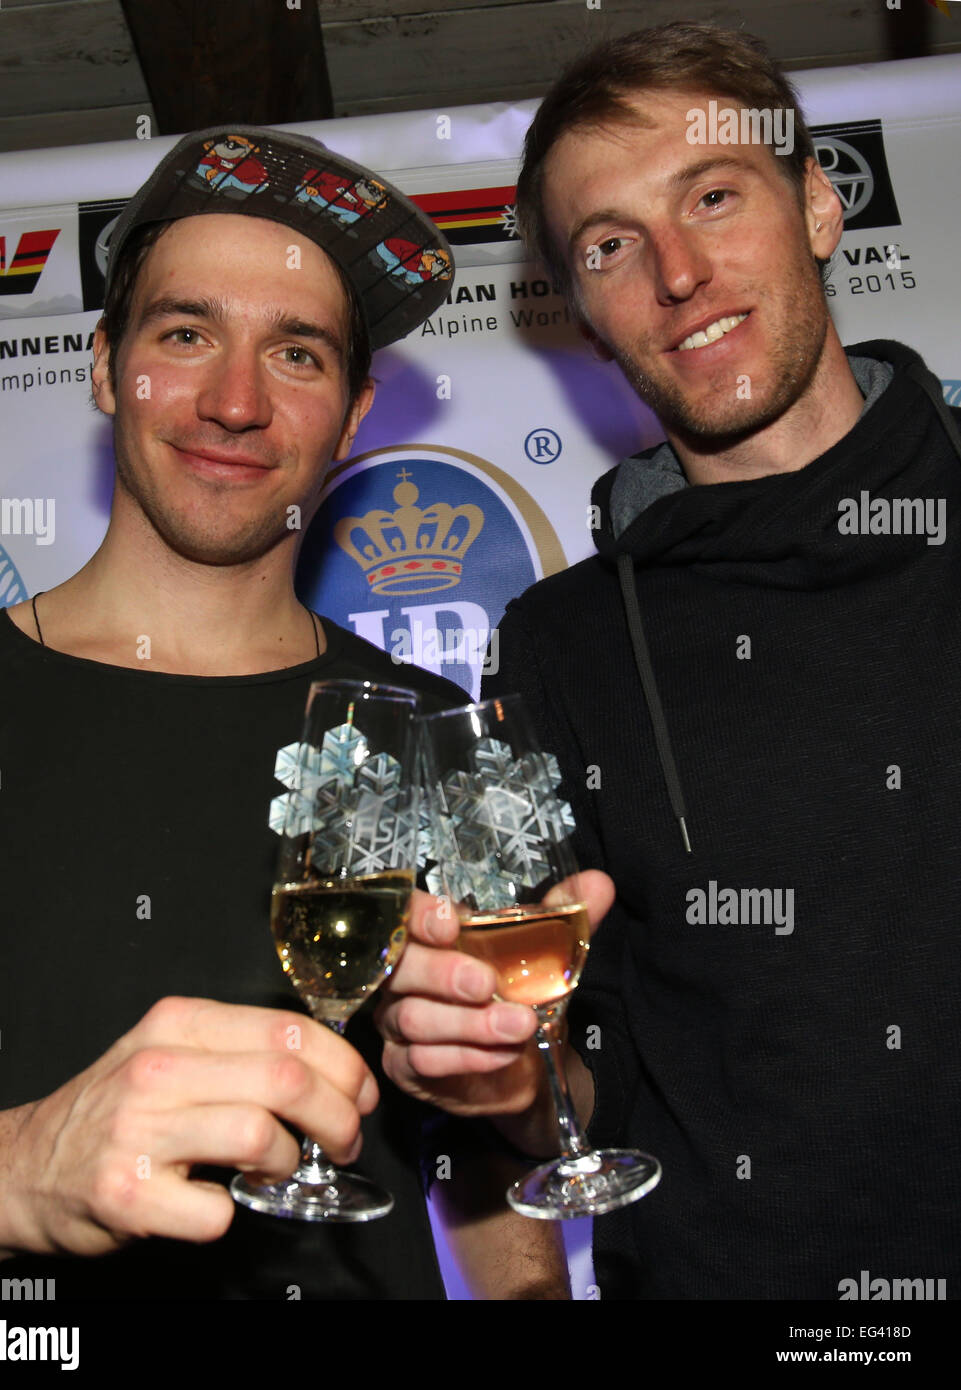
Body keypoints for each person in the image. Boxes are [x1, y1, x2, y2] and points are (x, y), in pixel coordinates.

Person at [0, 125, 565, 1301]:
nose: (233, 402)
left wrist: (517, 1087)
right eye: (184, 334)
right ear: (106, 363)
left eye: (297, 355)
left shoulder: (431, 736)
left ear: (356, 411)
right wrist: (7, 1173)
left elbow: (489, 1174)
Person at [376, 22, 961, 1299]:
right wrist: (505, 1079)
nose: (679, 273)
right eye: (609, 247)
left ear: (815, 203)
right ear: (580, 315)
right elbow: (588, 1077)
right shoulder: (561, 644)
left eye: (711, 195)